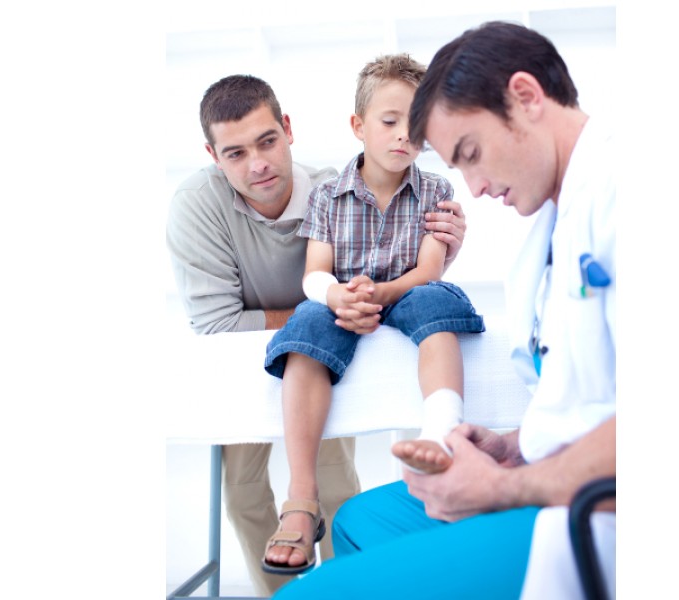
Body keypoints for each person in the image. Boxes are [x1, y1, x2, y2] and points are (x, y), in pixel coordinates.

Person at [273, 21, 616, 600]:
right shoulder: (554, 218)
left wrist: (506, 486)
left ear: (526, 97)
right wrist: (513, 445)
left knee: (301, 596)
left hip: (588, 517)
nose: (474, 189)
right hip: (546, 468)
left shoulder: (621, 191)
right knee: (357, 522)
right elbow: (593, 394)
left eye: (472, 153)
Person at [166, 74, 469, 596]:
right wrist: (326, 308)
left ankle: (345, 589)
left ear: (287, 129)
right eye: (235, 153)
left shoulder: (334, 191)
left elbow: (388, 276)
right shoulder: (196, 207)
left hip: (326, 355)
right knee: (241, 490)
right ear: (214, 157)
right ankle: (282, 593)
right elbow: (217, 326)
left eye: (267, 141)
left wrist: (440, 253)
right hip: (259, 353)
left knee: (335, 475)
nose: (258, 164)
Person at [260, 54, 486, 576]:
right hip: (345, 297)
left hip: (406, 291)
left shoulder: (435, 190)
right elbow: (315, 273)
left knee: (435, 302)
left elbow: (428, 270)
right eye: (389, 121)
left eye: (417, 124)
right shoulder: (327, 195)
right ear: (359, 126)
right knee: (308, 324)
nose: (404, 135)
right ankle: (301, 498)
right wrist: (337, 296)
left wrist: (381, 292)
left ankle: (440, 435)